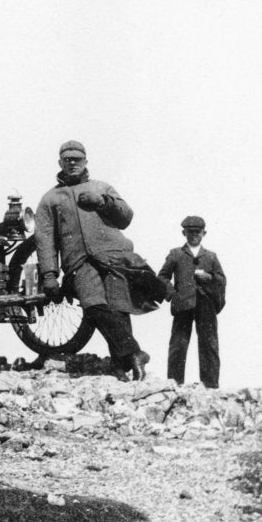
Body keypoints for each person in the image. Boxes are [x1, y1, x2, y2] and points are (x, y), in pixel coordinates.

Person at [34, 140, 150, 380]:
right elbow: (45, 239)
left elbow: (126, 218)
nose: (73, 163)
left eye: (77, 159)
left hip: (114, 256)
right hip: (79, 262)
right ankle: (135, 353)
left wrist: (103, 202)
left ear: (86, 161)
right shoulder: (50, 199)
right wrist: (49, 274)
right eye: (68, 160)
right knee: (94, 305)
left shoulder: (102, 187)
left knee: (119, 307)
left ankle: (121, 366)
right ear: (60, 163)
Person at [158, 215, 227, 388]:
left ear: (204, 233)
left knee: (209, 343)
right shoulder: (176, 254)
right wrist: (172, 295)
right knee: (178, 344)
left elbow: (221, 280)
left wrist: (209, 277)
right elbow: (162, 277)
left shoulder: (211, 256)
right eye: (190, 232)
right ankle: (175, 383)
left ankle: (210, 385)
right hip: (183, 304)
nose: (194, 235)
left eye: (197, 232)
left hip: (206, 304)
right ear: (184, 233)